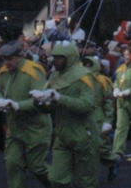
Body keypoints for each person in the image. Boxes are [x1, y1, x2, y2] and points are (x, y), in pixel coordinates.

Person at [37, 41, 97, 188]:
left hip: (83, 133)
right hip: (62, 134)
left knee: (85, 182)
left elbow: (87, 106)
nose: (55, 60)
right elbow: (48, 108)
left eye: (60, 57)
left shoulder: (84, 76)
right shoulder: (55, 76)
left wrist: (59, 98)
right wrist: (40, 102)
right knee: (56, 179)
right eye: (54, 57)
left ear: (70, 58)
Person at [0, 42, 50, 188]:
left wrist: (18, 105)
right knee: (12, 164)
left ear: (20, 56)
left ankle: (61, 185)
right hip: (15, 127)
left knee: (37, 167)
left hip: (36, 128)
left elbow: (40, 99)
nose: (6, 62)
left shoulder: (33, 71)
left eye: (10, 59)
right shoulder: (4, 71)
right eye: (3, 59)